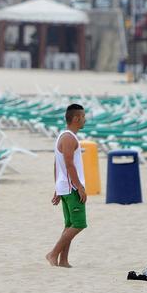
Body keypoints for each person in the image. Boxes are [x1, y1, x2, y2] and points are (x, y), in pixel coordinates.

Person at [47, 103, 88, 268]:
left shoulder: (63, 136)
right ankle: (53, 253)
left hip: (64, 186)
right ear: (77, 118)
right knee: (79, 224)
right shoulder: (69, 138)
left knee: (70, 224)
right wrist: (79, 187)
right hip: (71, 188)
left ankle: (63, 260)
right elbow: (69, 164)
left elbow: (57, 164)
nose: (85, 120)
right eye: (83, 117)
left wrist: (57, 187)